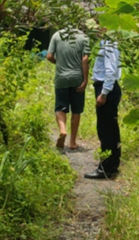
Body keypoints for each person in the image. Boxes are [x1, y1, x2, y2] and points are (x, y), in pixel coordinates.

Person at [84, 27, 122, 179]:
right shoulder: (106, 43)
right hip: (107, 87)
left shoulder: (109, 45)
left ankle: (105, 168)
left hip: (107, 88)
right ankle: (112, 164)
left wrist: (104, 93)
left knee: (105, 129)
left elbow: (111, 71)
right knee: (110, 127)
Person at [46, 27, 90, 150]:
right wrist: (85, 80)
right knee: (76, 110)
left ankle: (63, 130)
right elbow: (85, 59)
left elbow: (49, 56)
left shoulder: (56, 35)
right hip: (77, 78)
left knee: (60, 107)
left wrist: (59, 63)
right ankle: (72, 142)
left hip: (61, 78)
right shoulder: (84, 37)